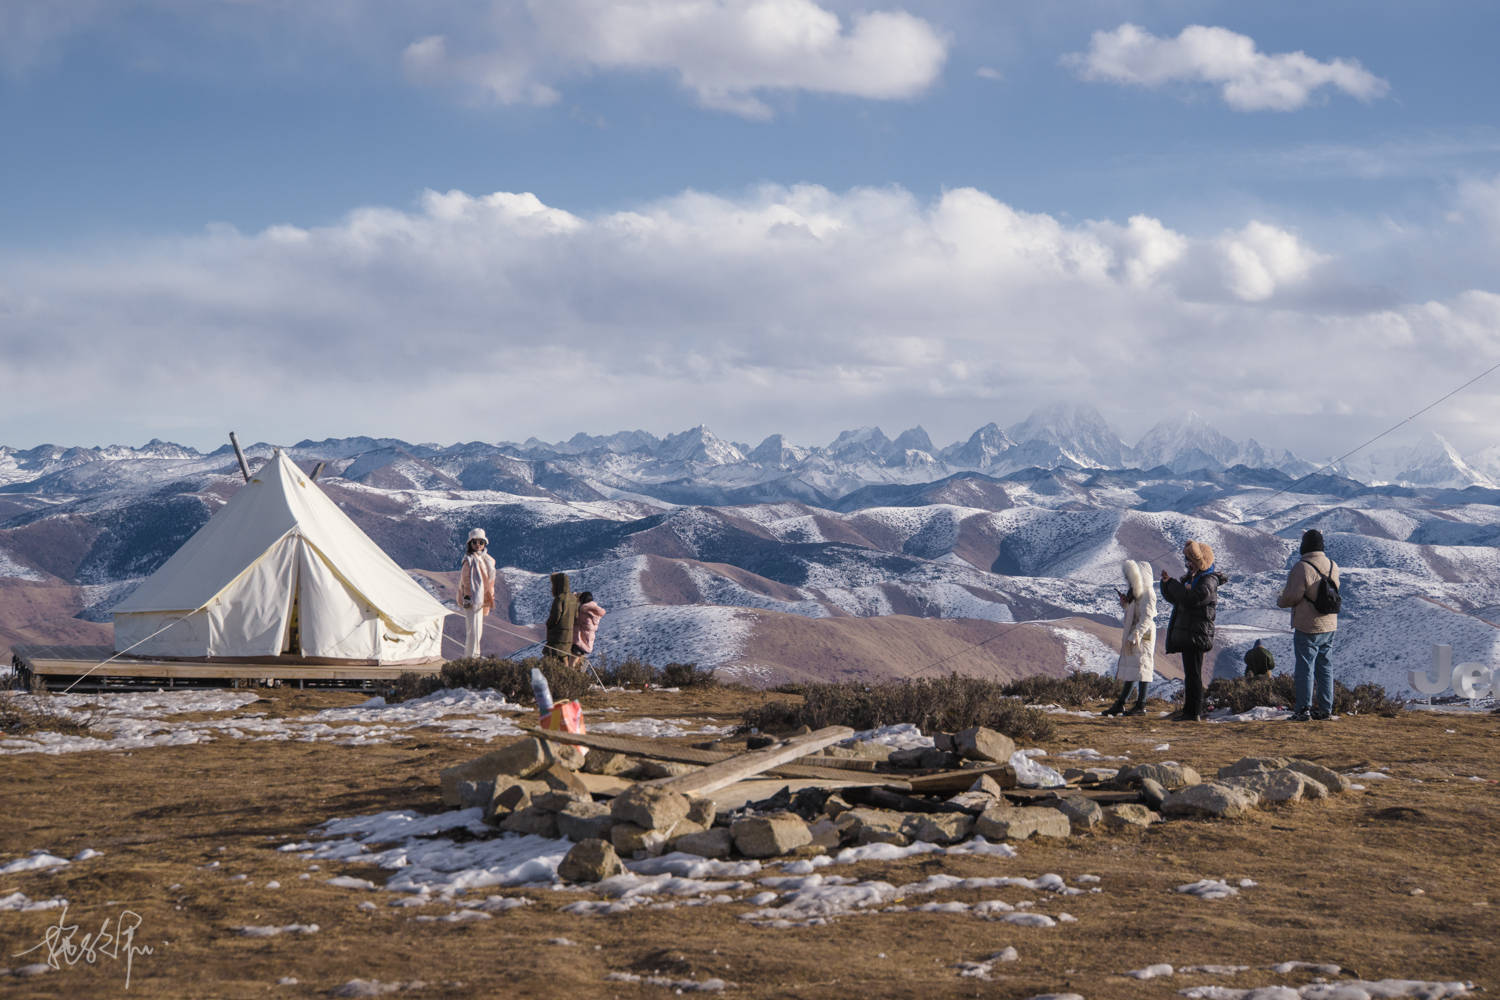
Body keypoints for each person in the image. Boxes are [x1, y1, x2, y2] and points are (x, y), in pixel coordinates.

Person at [1277, 528, 1339, 721]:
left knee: (1305, 667)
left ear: (1304, 545)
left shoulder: (1301, 567)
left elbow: (1291, 596)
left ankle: (1303, 709)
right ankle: (1325, 708)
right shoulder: (1332, 565)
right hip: (1329, 623)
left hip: (1308, 624)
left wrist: (1280, 600)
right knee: (1325, 666)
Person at [1160, 540, 1226, 722]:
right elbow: (1178, 599)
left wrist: (1173, 584)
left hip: (1197, 632)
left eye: (1191, 560)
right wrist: (1166, 584)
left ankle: (1193, 712)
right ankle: (1189, 711)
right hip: (1190, 632)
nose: (1188, 564)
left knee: (1194, 674)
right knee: (1190, 674)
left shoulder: (1208, 581)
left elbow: (1191, 599)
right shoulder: (1193, 579)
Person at [1102, 560, 1156, 717]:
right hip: (1135, 633)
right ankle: (1121, 703)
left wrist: (1136, 634)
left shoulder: (1148, 594)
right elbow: (1134, 613)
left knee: (1142, 666)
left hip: (1143, 634)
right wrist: (1126, 604)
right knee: (1134, 667)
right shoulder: (1136, 593)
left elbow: (1147, 617)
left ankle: (1141, 704)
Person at [457, 528, 496, 659]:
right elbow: (466, 580)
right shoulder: (469, 561)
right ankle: (470, 659)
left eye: (481, 542)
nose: (478, 544)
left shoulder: (485, 560)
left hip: (481, 600)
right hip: (472, 600)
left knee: (478, 631)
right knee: (473, 631)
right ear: (470, 544)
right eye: (475, 542)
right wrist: (467, 597)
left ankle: (474, 657)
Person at [571, 591, 607, 671]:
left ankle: (574, 678)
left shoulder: (584, 610)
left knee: (572, 665)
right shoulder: (594, 611)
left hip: (580, 640)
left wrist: (574, 599)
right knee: (580, 659)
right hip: (588, 641)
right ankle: (582, 675)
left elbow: (576, 621)